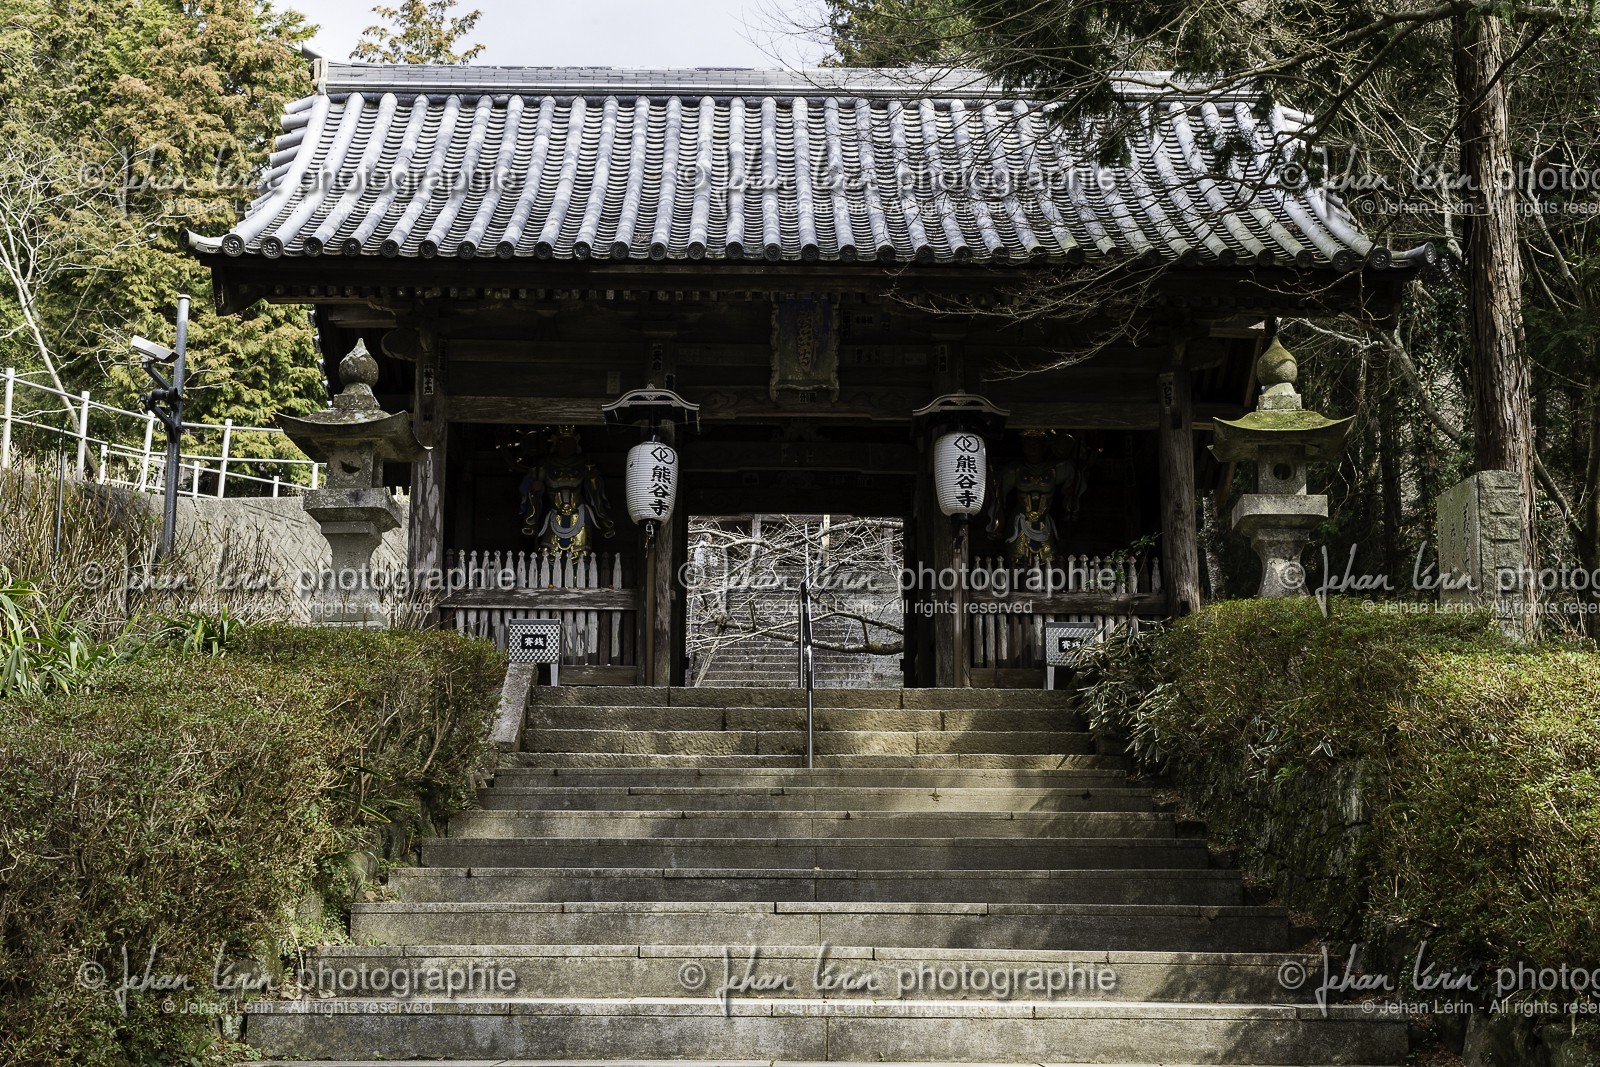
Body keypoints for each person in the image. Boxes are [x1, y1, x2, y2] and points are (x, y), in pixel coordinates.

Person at [985, 430, 1091, 568]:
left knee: (1049, 560)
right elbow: (999, 493)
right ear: (1023, 447)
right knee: (1017, 561)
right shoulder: (1015, 470)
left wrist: (1072, 501)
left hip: (1044, 523)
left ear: (1045, 446)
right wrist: (997, 520)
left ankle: (1048, 588)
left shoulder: (1055, 469)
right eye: (1028, 445)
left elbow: (1075, 474)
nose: (1032, 449)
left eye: (1037, 445)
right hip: (1020, 523)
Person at [519, 426, 615, 556]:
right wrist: (534, 488)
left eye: (570, 443)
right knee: (548, 554)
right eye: (562, 443)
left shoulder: (583, 463)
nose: (566, 447)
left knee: (582, 554)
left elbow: (594, 490)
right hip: (554, 513)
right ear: (555, 444)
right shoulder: (545, 464)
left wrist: (593, 480)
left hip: (579, 512)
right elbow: (529, 484)